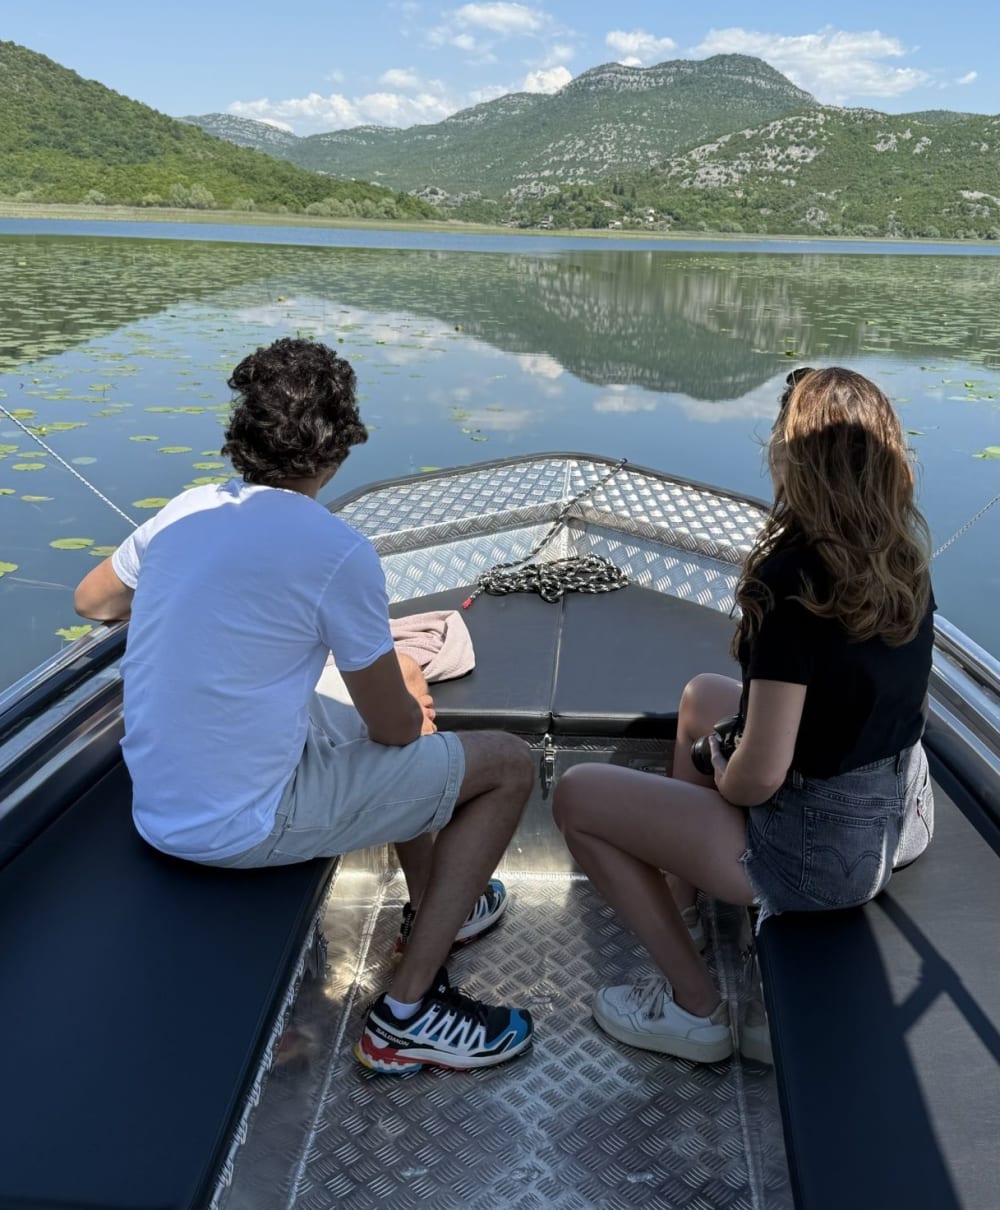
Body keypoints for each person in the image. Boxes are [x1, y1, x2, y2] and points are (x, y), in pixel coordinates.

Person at [73, 337, 535, 1075]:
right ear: (339, 447)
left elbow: (92, 600)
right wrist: (408, 692)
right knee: (503, 763)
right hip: (240, 823)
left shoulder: (186, 509)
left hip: (161, 804)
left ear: (242, 435)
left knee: (395, 739)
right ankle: (409, 1016)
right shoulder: (335, 549)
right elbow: (392, 727)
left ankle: (435, 907)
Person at [553, 366, 936, 1063]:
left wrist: (725, 770)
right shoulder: (901, 557)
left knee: (578, 796)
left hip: (819, 861)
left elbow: (759, 778)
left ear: (794, 461)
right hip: (897, 822)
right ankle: (687, 908)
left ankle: (693, 1009)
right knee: (703, 696)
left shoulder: (791, 581)